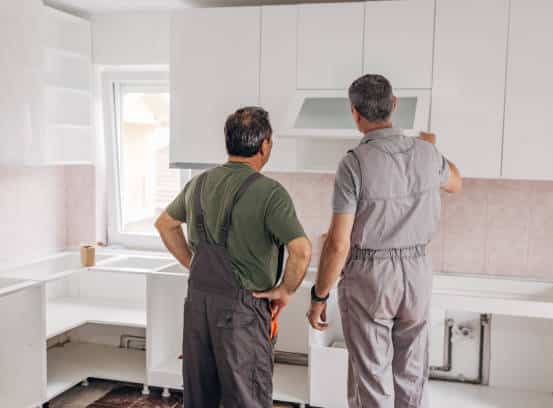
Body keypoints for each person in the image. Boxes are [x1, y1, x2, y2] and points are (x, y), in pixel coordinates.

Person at [307, 74, 462, 407]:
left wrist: (319, 295)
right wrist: (430, 151)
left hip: (372, 276)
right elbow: (456, 183)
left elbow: (338, 243)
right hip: (418, 272)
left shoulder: (354, 163)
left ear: (355, 113)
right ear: (394, 104)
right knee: (412, 373)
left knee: (372, 378)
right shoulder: (427, 154)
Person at [155, 106, 312, 408]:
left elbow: (165, 224)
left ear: (228, 141)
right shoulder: (270, 193)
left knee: (199, 398)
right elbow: (302, 250)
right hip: (242, 312)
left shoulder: (197, 184)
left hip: (198, 306)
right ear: (265, 144)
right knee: (247, 398)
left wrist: (192, 262)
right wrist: (285, 290)